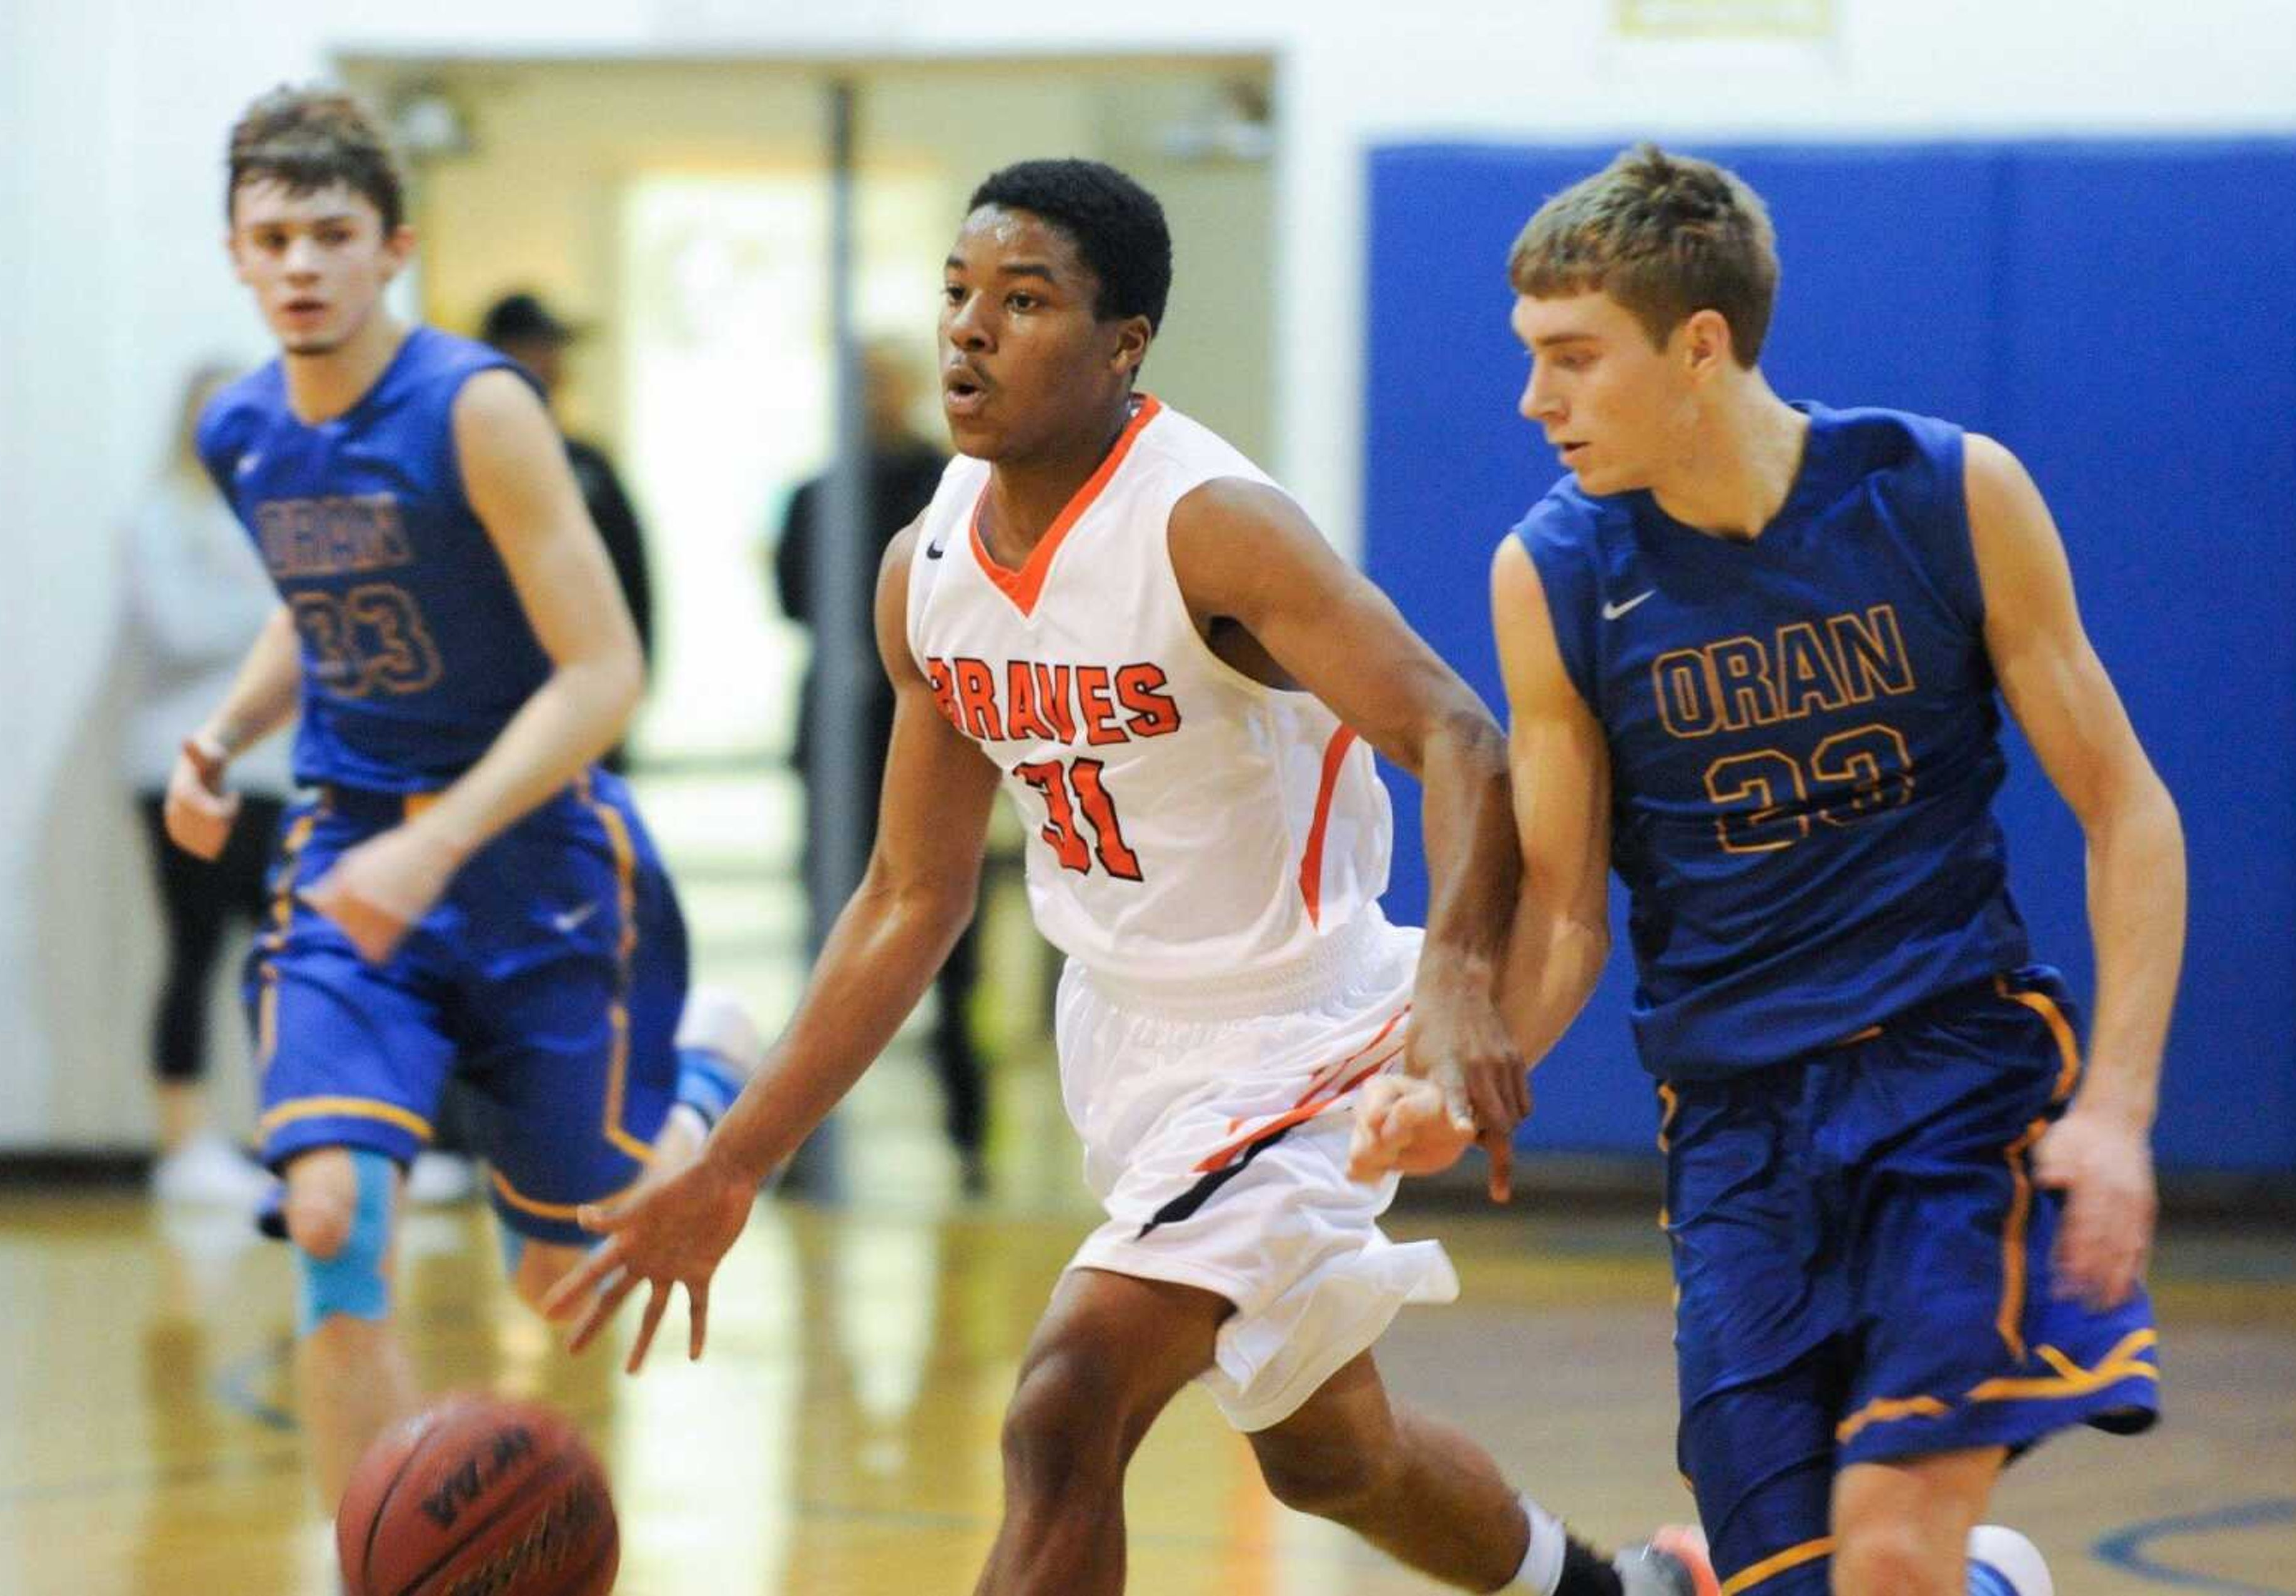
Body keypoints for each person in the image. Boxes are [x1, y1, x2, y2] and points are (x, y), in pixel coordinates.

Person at [547, 159, 1711, 1596]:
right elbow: (912, 897)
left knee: (1064, 1402)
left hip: (1297, 1033)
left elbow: (1454, 734)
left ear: (1123, 343)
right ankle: (1621, 1593)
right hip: (1124, 1041)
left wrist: (1455, 981)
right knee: (1327, 1454)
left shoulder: (1209, 523)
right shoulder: (924, 569)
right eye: (958, 296)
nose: (970, 332)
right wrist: (731, 1166)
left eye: (1023, 301)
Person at [1352, 145, 2182, 1596]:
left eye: (1570, 358)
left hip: (1951, 1085)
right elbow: (1562, 912)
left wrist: (2111, 1113)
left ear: (1698, 346)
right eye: (1528, 357)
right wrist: (1456, 1084)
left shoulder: (1939, 493)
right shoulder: (1550, 572)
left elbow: (2127, 810)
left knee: (1887, 1556)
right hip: (1736, 1131)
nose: (1533, 401)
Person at [167, 85, 746, 1512]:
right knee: (328, 1217)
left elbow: (605, 673)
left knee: (565, 1282)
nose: (301, 262)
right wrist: (226, 732)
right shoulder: (243, 431)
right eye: (273, 236)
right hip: (351, 853)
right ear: (237, 254)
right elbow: (319, 599)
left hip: (534, 860)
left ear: (392, 247)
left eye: (331, 233)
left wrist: (442, 839)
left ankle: (707, 1080)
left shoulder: (476, 407)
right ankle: (382, 1558)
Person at [774, 341, 991, 1195]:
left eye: (883, 380)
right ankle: (799, 1138)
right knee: (831, 931)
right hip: (837, 742)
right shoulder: (815, 496)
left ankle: (968, 1130)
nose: (870, 398)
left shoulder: (956, 491)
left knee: (948, 933)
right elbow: (797, 600)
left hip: (938, 732)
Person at [122, 360, 288, 1206]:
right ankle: (183, 1145)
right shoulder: (163, 518)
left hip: (275, 774)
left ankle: (294, 1138)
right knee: (195, 946)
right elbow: (180, 629)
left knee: (283, 958)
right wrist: (275, 607)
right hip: (182, 764)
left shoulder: (285, 516)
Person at [477, 288, 656, 772]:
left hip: (587, 697)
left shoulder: (588, 465)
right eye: (537, 348)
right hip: (497, 711)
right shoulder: (461, 465)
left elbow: (633, 579)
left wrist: (631, 682)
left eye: (553, 349)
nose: (552, 363)